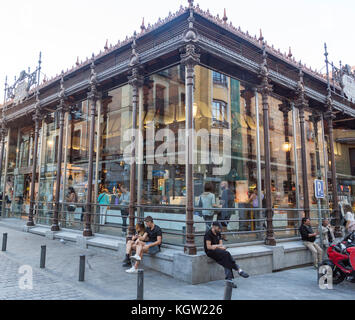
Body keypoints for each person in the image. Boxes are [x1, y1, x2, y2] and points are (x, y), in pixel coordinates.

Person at [204, 222, 249, 288]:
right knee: (227, 254)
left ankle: (229, 280)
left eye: (220, 228)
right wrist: (218, 246)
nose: (220, 230)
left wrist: (217, 246)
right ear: (213, 226)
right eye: (218, 228)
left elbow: (221, 245)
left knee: (226, 259)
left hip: (218, 251)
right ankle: (238, 269)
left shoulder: (218, 233)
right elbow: (209, 247)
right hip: (210, 252)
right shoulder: (208, 234)